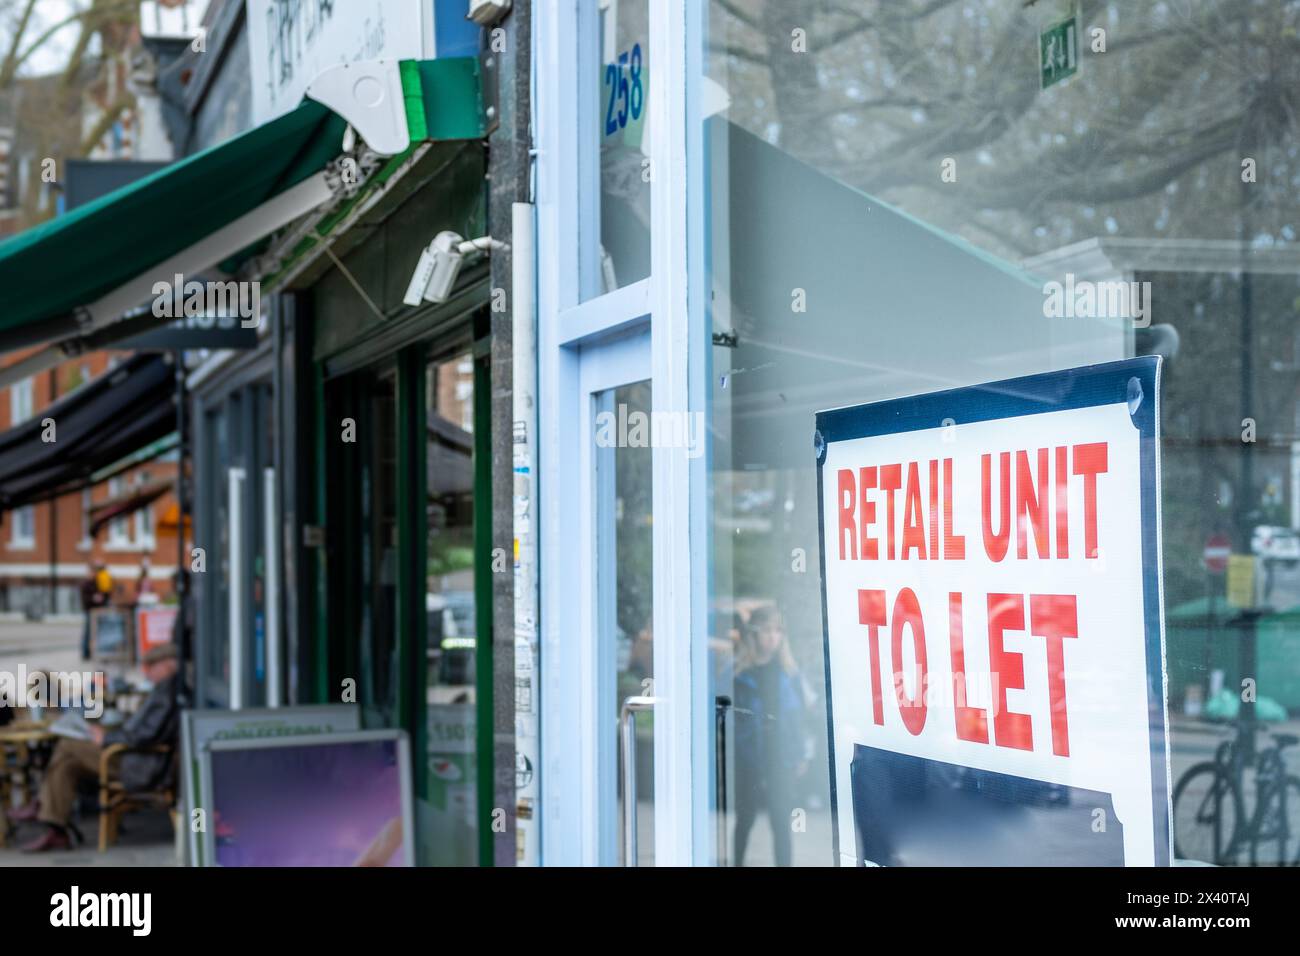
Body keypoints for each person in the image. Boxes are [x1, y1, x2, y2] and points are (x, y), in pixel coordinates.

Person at [14, 643, 181, 853]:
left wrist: (107, 737)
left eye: (150, 666)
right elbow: (144, 731)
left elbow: (144, 736)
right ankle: (55, 828)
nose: (145, 672)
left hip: (139, 763)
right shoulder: (166, 690)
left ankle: (42, 807)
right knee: (67, 765)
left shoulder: (166, 693)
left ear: (166, 666)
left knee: (68, 746)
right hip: (135, 757)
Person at [732, 605, 811, 867]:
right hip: (750, 758)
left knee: (781, 822)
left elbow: (800, 718)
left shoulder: (789, 674)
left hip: (781, 757)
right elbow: (733, 720)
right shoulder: (740, 674)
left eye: (778, 631)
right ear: (755, 634)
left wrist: (801, 754)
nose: (772, 637)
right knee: (745, 819)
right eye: (767, 631)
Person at [79, 562, 111, 659]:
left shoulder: (98, 582)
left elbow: (105, 593)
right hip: (90, 610)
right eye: (92, 572)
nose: (94, 574)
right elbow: (85, 599)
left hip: (98, 610)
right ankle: (85, 653)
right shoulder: (86, 584)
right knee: (88, 633)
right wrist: (94, 598)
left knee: (99, 632)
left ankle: (97, 651)